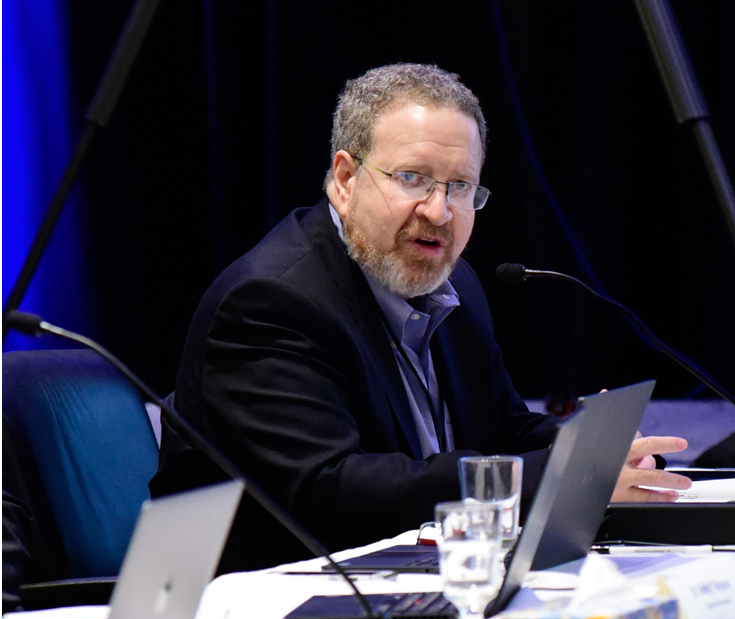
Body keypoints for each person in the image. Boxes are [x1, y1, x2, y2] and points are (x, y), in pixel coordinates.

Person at [149, 63, 691, 572]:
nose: (439, 211)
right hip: (269, 602)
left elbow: (501, 428)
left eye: (460, 188)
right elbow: (332, 492)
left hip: (417, 579)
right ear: (344, 179)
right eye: (412, 178)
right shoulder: (271, 302)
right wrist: (551, 476)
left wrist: (589, 448)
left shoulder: (455, 283)